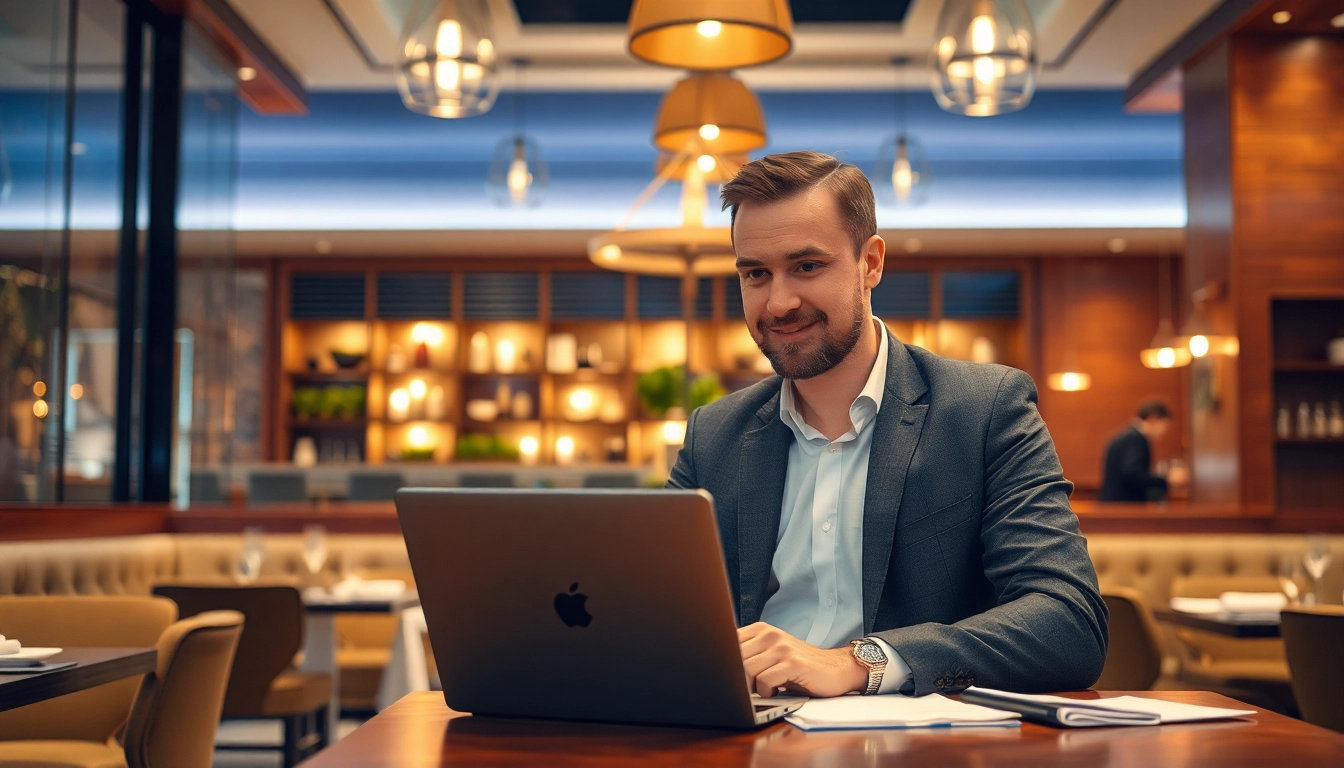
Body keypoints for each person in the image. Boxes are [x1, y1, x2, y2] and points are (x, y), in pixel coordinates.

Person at [667, 151, 1107, 699]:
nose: (778, 303)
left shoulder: (985, 409)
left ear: (870, 263)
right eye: (756, 273)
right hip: (746, 736)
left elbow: (1069, 623)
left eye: (807, 266)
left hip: (920, 742)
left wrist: (861, 661)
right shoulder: (713, 434)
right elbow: (653, 611)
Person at [1099, 400, 1184, 502]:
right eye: (1164, 426)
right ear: (1153, 419)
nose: (1164, 432)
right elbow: (1132, 473)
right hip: (1123, 505)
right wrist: (1165, 480)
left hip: (1113, 503)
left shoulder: (1126, 436)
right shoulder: (1135, 439)